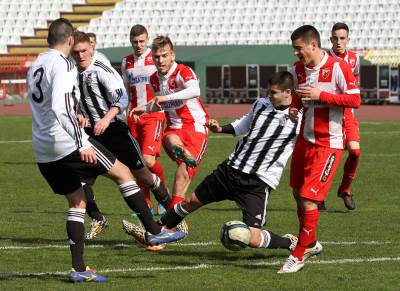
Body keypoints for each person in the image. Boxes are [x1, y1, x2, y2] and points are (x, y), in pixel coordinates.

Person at [27, 19, 185, 283]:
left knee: (77, 201)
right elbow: (59, 106)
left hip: (43, 149)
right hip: (68, 142)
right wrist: (82, 142)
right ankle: (154, 230)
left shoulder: (35, 65)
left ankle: (78, 270)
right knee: (123, 173)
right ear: (69, 41)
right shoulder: (64, 64)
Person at [123, 71, 299, 253]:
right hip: (230, 170)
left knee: (252, 238)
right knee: (189, 202)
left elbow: (313, 141)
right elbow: (244, 124)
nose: (268, 96)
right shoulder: (261, 104)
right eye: (268, 92)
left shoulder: (299, 118)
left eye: (274, 93)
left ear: (288, 92)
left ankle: (289, 242)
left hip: (257, 182)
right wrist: (220, 128)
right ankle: (156, 232)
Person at [71, 31, 174, 247]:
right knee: (80, 180)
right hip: (90, 135)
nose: (80, 55)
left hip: (114, 131)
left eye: (84, 51)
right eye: (76, 52)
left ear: (91, 49)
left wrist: (106, 119)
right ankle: (98, 218)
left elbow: (121, 96)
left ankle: (173, 215)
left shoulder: (102, 69)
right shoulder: (71, 72)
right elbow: (74, 99)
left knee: (143, 175)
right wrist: (79, 113)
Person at [278, 25, 361, 273]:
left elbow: (355, 100)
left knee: (308, 199)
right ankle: (311, 242)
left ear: (313, 45)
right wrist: (293, 109)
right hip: (304, 140)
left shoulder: (338, 67)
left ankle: (299, 255)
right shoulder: (298, 70)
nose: (296, 53)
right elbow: (297, 97)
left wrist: (321, 96)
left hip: (328, 144)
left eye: (298, 48)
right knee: (296, 192)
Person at [129, 36, 209, 221]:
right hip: (175, 128)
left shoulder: (183, 71)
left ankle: (171, 220)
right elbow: (160, 105)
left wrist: (165, 99)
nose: (160, 60)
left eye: (164, 55)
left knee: (181, 178)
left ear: (172, 55)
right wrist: (145, 108)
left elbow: (194, 90)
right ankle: (183, 154)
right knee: (168, 139)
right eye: (157, 56)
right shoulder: (154, 79)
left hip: (196, 128)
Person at [121, 25, 166, 215]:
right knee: (137, 163)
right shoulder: (126, 62)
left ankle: (163, 193)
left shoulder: (156, 59)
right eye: (135, 42)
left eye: (141, 41)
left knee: (147, 160)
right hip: (133, 117)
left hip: (153, 114)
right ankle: (146, 204)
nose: (138, 45)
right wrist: (123, 110)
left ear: (147, 40)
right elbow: (124, 89)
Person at [324, 22, 361, 210]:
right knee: (329, 156)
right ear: (330, 39)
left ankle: (345, 189)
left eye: (342, 38)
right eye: (335, 38)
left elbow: (354, 84)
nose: (339, 42)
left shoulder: (354, 59)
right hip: (328, 116)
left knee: (355, 152)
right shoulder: (323, 58)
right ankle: (318, 194)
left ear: (348, 39)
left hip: (348, 114)